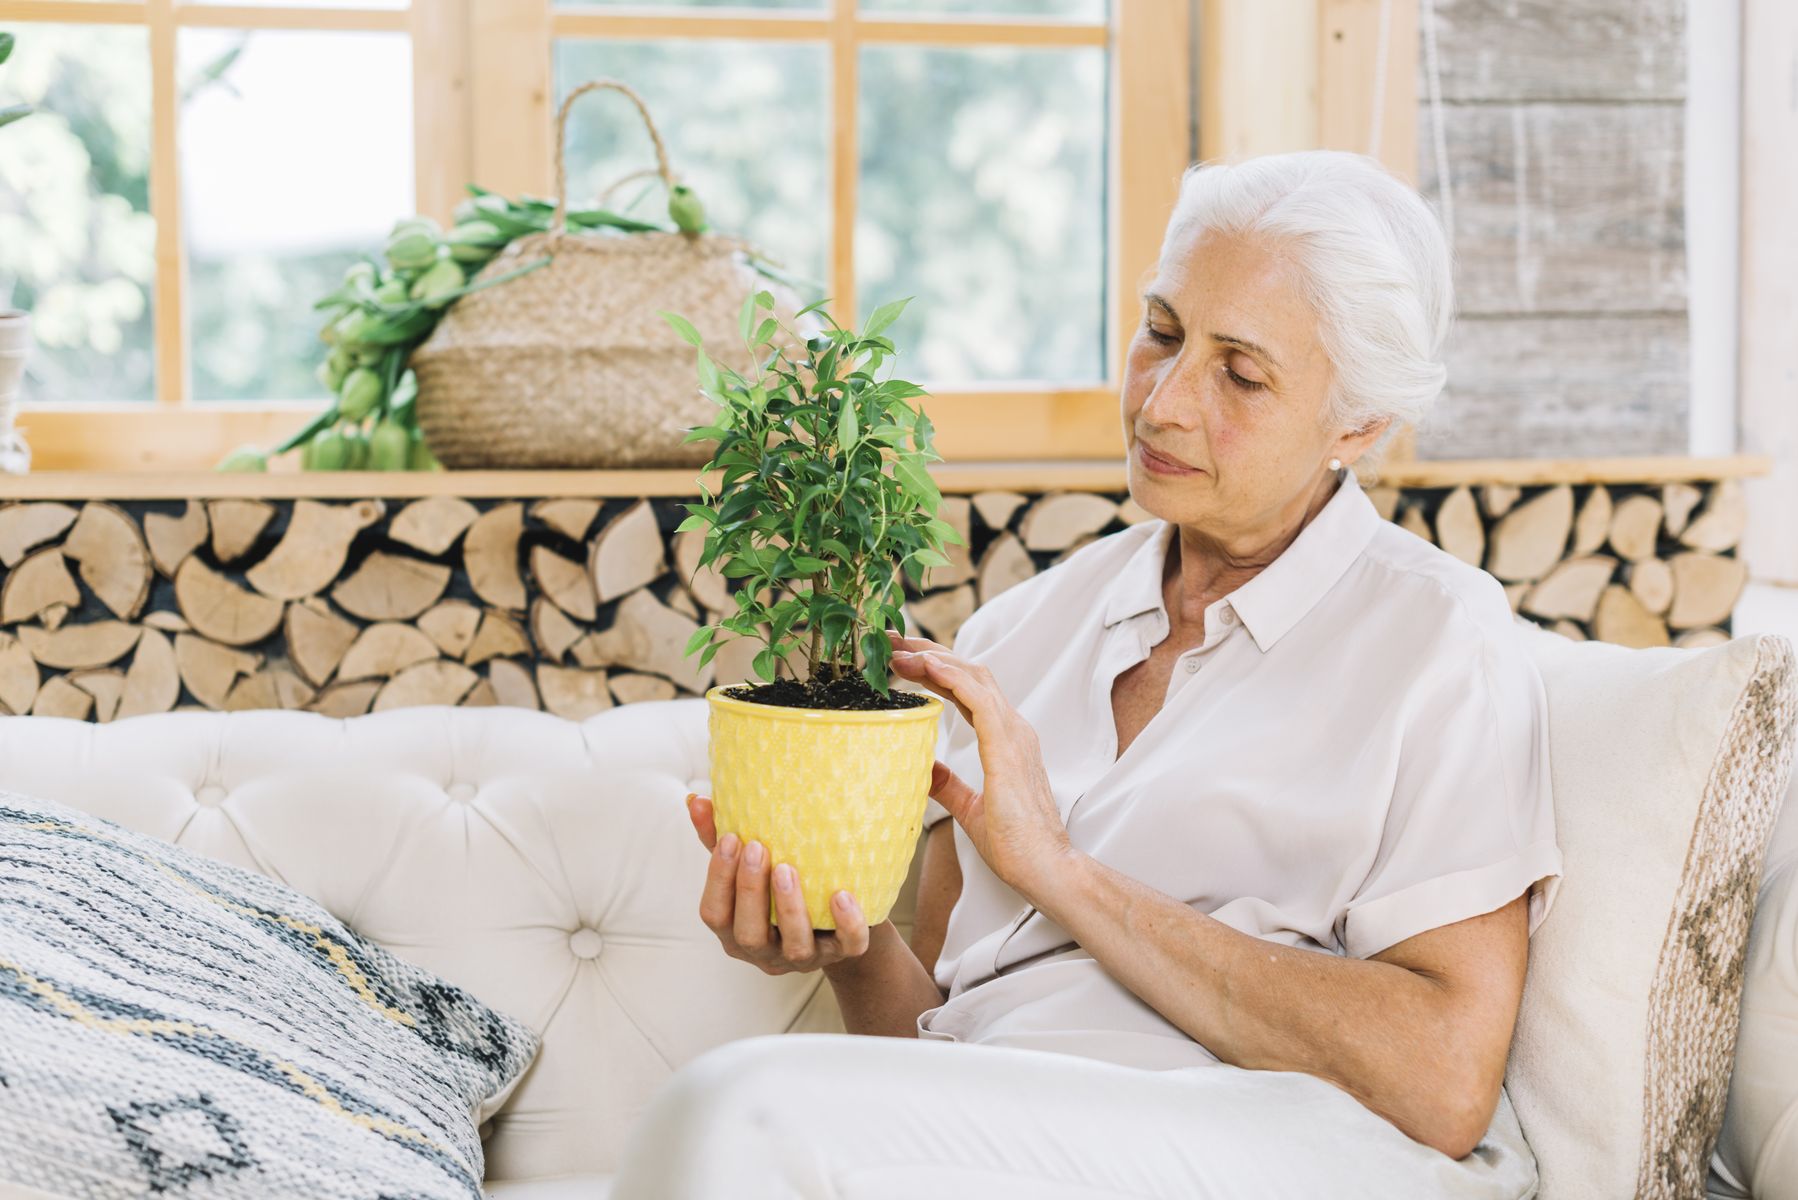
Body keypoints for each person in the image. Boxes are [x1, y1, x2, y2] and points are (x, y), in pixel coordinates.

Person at [609, 149, 1563, 1199]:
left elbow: (1440, 1081)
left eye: (1240, 374)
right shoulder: (1027, 628)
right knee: (747, 1112)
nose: (1161, 404)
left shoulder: (1433, 637)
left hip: (1266, 1141)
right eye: (1159, 333)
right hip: (1005, 1134)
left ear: (1360, 422)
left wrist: (1058, 869)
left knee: (738, 1108)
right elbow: (925, 1033)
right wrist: (839, 943)